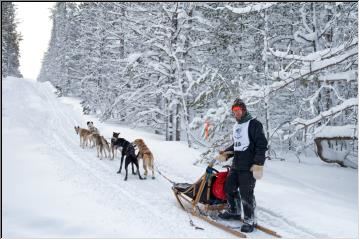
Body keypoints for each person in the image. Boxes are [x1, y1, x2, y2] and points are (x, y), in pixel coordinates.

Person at [214, 98, 268, 233]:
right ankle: (234, 211)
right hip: (236, 165)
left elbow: (262, 145)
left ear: (244, 110)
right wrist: (226, 153)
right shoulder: (237, 126)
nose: (236, 113)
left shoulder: (254, 124)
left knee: (246, 193)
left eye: (238, 110)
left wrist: (258, 164)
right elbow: (237, 145)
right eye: (234, 111)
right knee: (229, 188)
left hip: (248, 167)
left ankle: (250, 220)